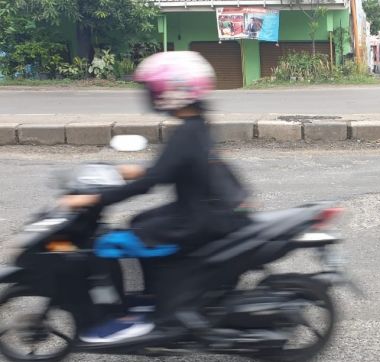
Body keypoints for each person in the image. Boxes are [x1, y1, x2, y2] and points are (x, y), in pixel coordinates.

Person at [60, 51, 252, 343]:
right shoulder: (197, 125)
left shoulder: (186, 133)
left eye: (153, 88)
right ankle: (151, 297)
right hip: (208, 209)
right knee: (140, 221)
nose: (149, 94)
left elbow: (152, 183)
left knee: (111, 244)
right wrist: (133, 171)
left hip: (199, 218)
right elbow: (173, 169)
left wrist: (92, 200)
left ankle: (131, 317)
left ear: (174, 91)